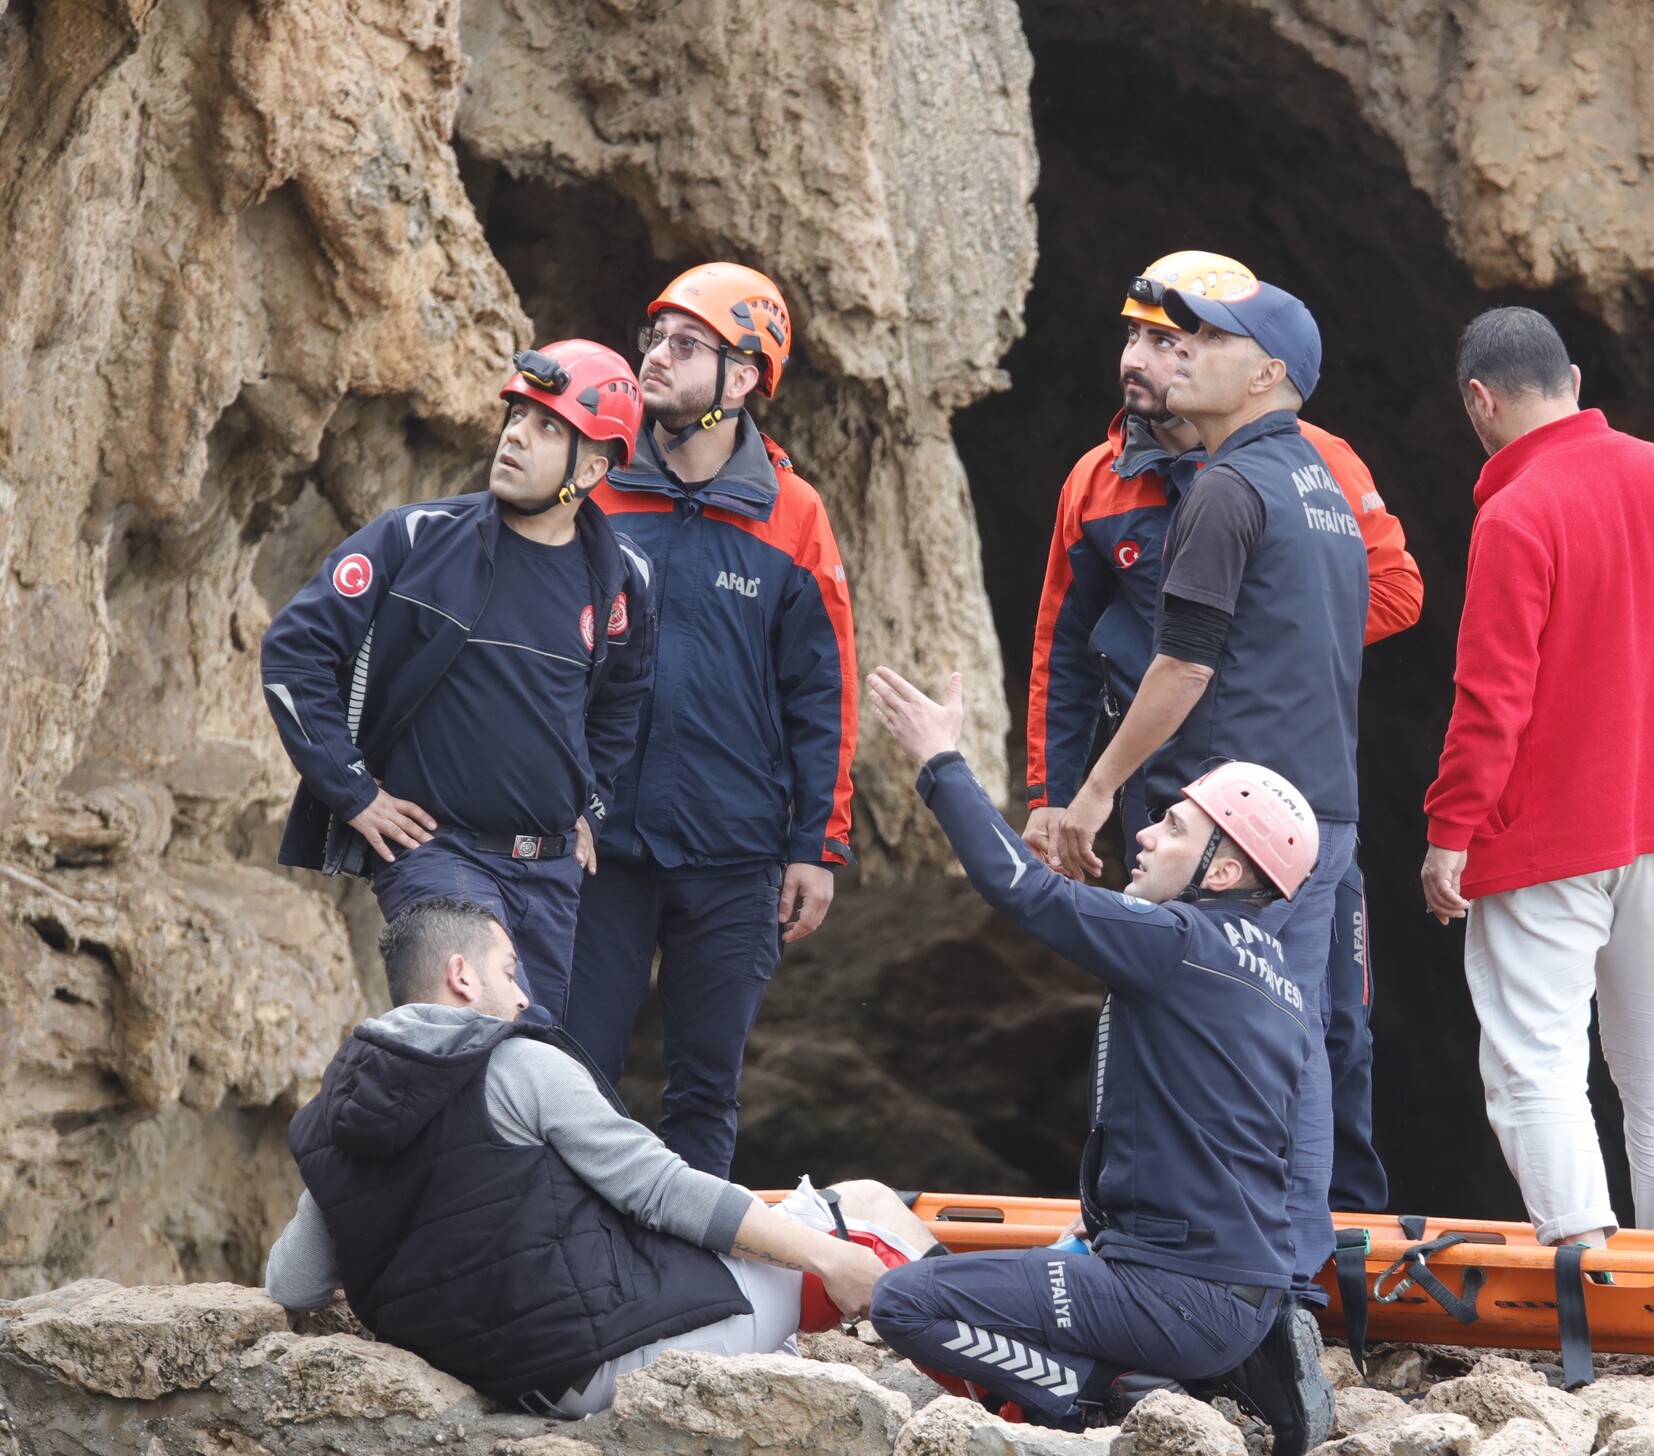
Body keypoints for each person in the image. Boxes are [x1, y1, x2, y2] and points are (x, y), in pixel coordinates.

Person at [1023, 250, 1421, 1214]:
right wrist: (1052, 794)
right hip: (1177, 797)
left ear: (1254, 365)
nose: (1146, 358)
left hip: (1288, 787)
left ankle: (1323, 1248)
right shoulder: (1098, 479)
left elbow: (1395, 593)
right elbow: (1061, 649)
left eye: (1175, 340)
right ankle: (1203, 1237)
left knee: (1330, 1026)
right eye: (1137, 337)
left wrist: (1254, 621)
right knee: (1184, 1016)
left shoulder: (1308, 463)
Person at [861, 666, 1335, 1456]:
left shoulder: (1178, 940)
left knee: (906, 1305)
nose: (1145, 833)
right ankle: (1244, 1361)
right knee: (1063, 1258)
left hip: (1171, 1298)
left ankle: (1099, 1396)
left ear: (1221, 873)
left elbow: (1021, 888)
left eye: (1174, 829)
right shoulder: (1284, 985)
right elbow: (1295, 1158)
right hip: (1244, 1298)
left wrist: (940, 762)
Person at [266, 896, 936, 1416]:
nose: (524, 995)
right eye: (508, 972)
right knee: (869, 1205)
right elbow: (663, 1190)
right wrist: (830, 1257)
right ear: (461, 976)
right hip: (617, 1358)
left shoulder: (337, 1120)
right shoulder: (517, 1066)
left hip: (519, 1384)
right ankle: (1004, 1354)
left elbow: (292, 1285)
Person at [1418, 306, 1654, 1256]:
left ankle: (1589, 1276)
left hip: (1543, 844)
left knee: (1538, 1064)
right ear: (1573, 377)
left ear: (1479, 401)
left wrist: (1452, 827)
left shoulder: (1517, 512)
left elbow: (1492, 695)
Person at [260, 342, 656, 1023]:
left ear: (591, 468)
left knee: (529, 1068)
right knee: (463, 1037)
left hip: (550, 872)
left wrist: (593, 806)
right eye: (518, 417)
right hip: (434, 858)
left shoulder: (625, 577)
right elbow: (294, 653)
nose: (516, 438)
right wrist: (353, 792)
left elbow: (623, 700)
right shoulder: (412, 540)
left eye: (547, 428)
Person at [565, 263, 858, 1178]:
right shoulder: (598, 489)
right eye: (654, 336)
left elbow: (824, 694)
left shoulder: (793, 515)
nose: (655, 354)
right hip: (598, 844)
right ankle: (569, 1287)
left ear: (742, 378)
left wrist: (817, 847)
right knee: (571, 1073)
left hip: (735, 856)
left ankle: (693, 1298)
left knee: (704, 1091)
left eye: (685, 344)